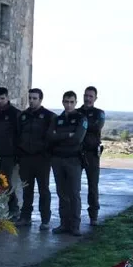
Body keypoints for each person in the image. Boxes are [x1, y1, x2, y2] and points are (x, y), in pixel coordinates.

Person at [15, 88, 55, 230]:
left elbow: (52, 138)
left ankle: (45, 219)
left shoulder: (49, 116)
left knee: (43, 189)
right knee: (27, 189)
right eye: (30, 98)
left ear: (40, 99)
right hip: (26, 158)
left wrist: (47, 153)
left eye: (34, 98)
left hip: (42, 159)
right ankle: (25, 217)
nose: (31, 101)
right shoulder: (23, 116)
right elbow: (18, 136)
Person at [50, 91, 88, 236]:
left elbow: (77, 138)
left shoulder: (81, 118)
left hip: (73, 159)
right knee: (61, 193)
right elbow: (50, 136)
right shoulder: (58, 118)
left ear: (76, 103)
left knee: (74, 193)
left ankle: (75, 225)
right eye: (66, 102)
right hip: (58, 159)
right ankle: (64, 223)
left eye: (71, 102)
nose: (68, 105)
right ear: (62, 102)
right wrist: (67, 135)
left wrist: (59, 136)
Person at [0, 87, 21, 219]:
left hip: (10, 153)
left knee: (5, 180)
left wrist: (17, 152)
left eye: (3, 98)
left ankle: (14, 207)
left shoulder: (15, 113)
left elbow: (18, 134)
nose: (0, 101)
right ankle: (1, 207)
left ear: (7, 98)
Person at [77, 86, 106, 226]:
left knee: (93, 186)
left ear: (95, 98)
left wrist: (81, 126)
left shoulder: (99, 113)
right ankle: (73, 216)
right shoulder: (76, 112)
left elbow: (96, 127)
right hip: (76, 153)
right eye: (86, 95)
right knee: (74, 187)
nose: (88, 98)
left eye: (91, 96)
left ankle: (93, 216)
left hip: (92, 154)